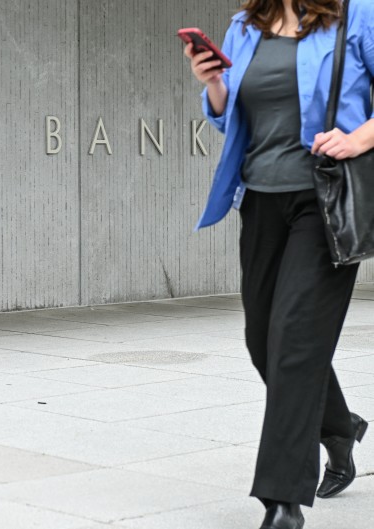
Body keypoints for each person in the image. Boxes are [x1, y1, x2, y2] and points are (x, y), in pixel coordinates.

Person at [184, 1, 371, 528]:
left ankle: (282, 502)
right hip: (260, 200)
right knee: (264, 339)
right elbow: (230, 119)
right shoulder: (246, 25)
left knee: (293, 341)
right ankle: (338, 425)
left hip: (325, 201)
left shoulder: (357, 14)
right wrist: (214, 84)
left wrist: (358, 137)